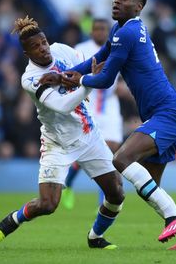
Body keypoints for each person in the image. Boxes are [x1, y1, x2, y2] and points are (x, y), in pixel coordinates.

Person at [43, 0, 176, 250]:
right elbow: (96, 60)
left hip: (168, 114)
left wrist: (78, 81)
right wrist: (64, 76)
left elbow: (105, 78)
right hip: (165, 114)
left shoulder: (127, 33)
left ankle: (174, 217)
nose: (117, 0)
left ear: (139, 7)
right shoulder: (123, 29)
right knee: (151, 187)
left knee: (121, 159)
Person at [0, 16, 124, 249]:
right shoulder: (30, 79)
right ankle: (14, 219)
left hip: (87, 134)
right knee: (48, 204)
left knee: (116, 194)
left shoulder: (61, 50)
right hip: (57, 143)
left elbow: (84, 67)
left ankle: (95, 237)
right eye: (35, 47)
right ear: (27, 54)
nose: (43, 49)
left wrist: (84, 77)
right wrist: (87, 84)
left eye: (43, 42)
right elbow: (63, 105)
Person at [62, 18, 124, 209]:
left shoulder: (118, 47)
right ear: (91, 32)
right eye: (96, 29)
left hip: (110, 105)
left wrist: (123, 87)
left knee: (113, 152)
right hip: (88, 103)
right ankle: (68, 184)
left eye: (104, 29)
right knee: (87, 151)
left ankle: (104, 201)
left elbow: (122, 75)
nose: (100, 32)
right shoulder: (81, 49)